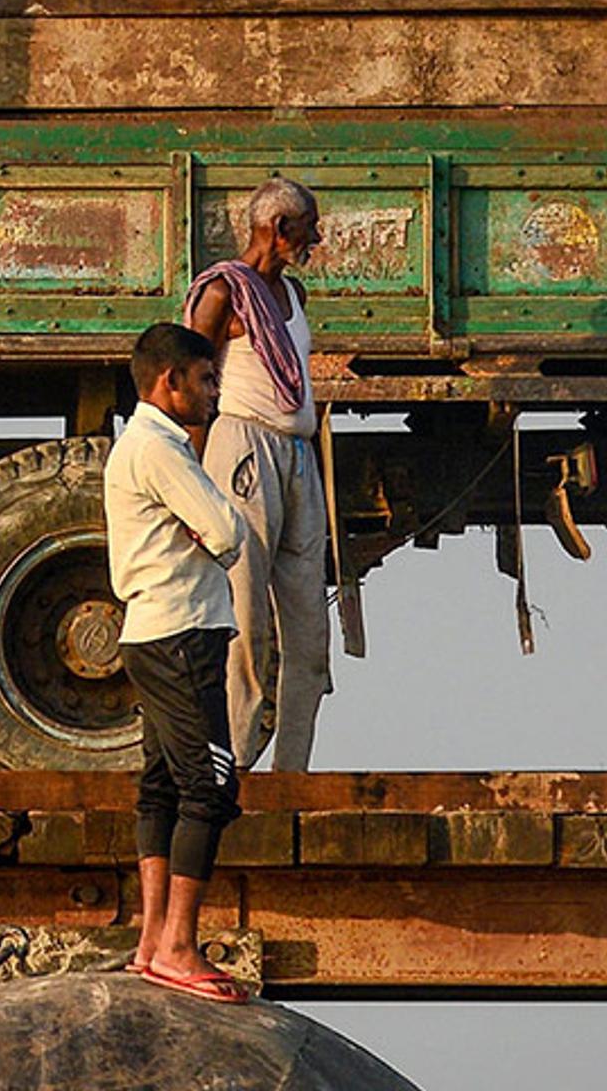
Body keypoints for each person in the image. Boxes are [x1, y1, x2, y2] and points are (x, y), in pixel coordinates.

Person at [104, 321, 253, 1004]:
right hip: (183, 632)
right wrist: (214, 533)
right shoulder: (161, 449)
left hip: (150, 630)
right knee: (211, 789)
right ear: (170, 382)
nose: (215, 395)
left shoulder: (136, 445)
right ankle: (177, 945)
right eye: (207, 380)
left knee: (162, 784)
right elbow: (228, 530)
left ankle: (150, 939)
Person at [184, 176, 333, 772]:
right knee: (246, 626)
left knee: (309, 634)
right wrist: (189, 482)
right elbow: (188, 387)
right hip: (242, 449)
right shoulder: (223, 293)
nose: (315, 239)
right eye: (309, 228)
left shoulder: (291, 294)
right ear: (278, 228)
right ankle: (234, 766)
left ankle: (292, 773)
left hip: (297, 453)